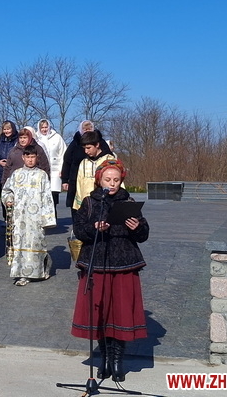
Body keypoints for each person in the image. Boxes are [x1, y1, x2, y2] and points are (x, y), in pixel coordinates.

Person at [70, 159, 149, 382]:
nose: (112, 184)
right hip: (97, 262)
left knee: (120, 313)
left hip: (124, 262)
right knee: (101, 311)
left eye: (116, 180)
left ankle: (117, 360)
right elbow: (79, 230)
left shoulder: (129, 202)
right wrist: (94, 228)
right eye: (108, 179)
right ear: (99, 181)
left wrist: (137, 227)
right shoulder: (89, 202)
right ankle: (104, 358)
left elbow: (143, 234)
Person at [2, 145, 57, 285]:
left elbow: (47, 197)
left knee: (36, 243)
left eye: (33, 157)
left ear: (37, 158)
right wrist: (9, 199)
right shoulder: (16, 174)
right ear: (23, 157)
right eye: (28, 157)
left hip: (36, 218)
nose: (30, 160)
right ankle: (22, 274)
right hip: (19, 217)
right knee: (19, 244)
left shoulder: (42, 175)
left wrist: (47, 219)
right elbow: (7, 190)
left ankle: (41, 270)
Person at [61, 120, 112, 209]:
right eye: (85, 129)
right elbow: (67, 161)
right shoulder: (75, 143)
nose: (86, 151)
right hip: (76, 177)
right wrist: (65, 179)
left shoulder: (102, 146)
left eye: (89, 129)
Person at [73, 131, 114, 208]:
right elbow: (79, 184)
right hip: (86, 205)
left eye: (88, 148)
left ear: (97, 145)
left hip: (104, 204)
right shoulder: (84, 162)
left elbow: (117, 182)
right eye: (84, 148)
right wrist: (79, 206)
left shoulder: (109, 160)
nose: (86, 151)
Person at [36, 119, 67, 206]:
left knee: (53, 198)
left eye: (46, 127)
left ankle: (54, 213)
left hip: (55, 171)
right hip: (41, 170)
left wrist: (62, 169)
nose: (44, 129)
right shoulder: (36, 138)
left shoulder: (57, 137)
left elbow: (63, 154)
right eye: (42, 127)